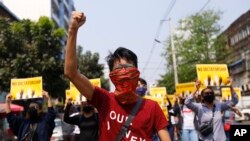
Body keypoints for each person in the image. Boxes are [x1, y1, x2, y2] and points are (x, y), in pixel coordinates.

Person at [64, 11, 171, 141]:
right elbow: (71, 73)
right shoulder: (104, 99)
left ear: (137, 72)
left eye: (128, 66)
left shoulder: (152, 107)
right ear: (111, 76)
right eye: (119, 68)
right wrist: (72, 30)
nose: (124, 71)